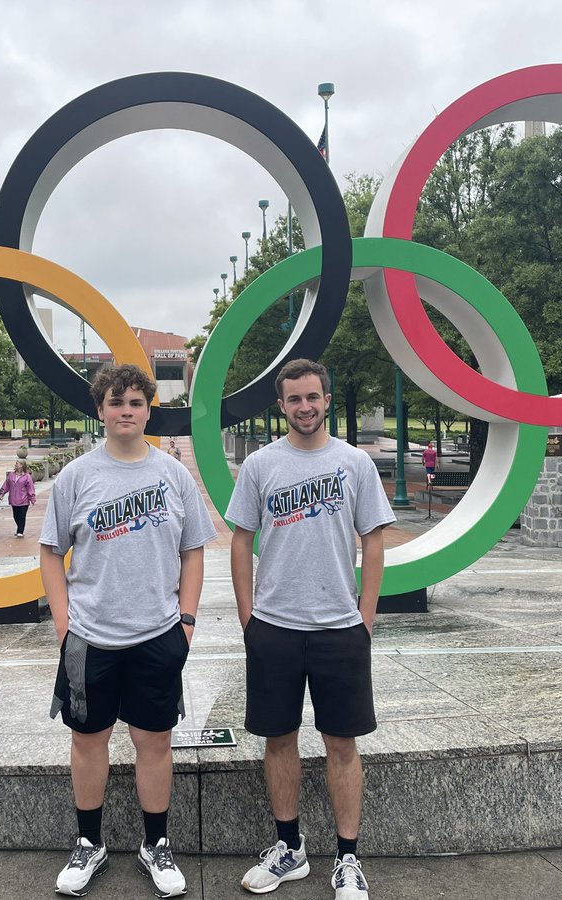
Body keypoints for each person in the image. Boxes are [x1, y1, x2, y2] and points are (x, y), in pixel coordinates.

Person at [40, 363, 216, 898]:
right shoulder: (77, 476)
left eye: (136, 403)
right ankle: (89, 843)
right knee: (88, 740)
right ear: (101, 410)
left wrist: (185, 621)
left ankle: (155, 844)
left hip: (158, 633)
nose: (126, 412)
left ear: (148, 410)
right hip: (91, 637)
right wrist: (64, 621)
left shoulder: (172, 474)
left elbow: (193, 552)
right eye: (116, 403)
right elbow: (50, 553)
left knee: (153, 741)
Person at [226, 358, 394, 900]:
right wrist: (248, 616)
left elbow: (373, 540)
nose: (305, 406)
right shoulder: (260, 465)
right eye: (294, 399)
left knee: (341, 743)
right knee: (279, 739)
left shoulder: (354, 463)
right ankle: (289, 848)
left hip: (339, 628)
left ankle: (347, 859)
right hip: (274, 625)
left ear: (326, 399)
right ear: (282, 406)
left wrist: (365, 618)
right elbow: (240, 539)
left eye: (313, 397)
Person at [0, 459, 37, 538]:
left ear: (22, 465)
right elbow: (6, 485)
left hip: (24, 500)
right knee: (15, 516)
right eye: (16, 463)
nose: (16, 465)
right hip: (14, 500)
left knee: (22, 516)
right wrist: (2, 493)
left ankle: (20, 531)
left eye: (17, 463)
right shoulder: (11, 475)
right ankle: (19, 528)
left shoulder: (27, 477)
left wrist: (32, 498)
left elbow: (30, 488)